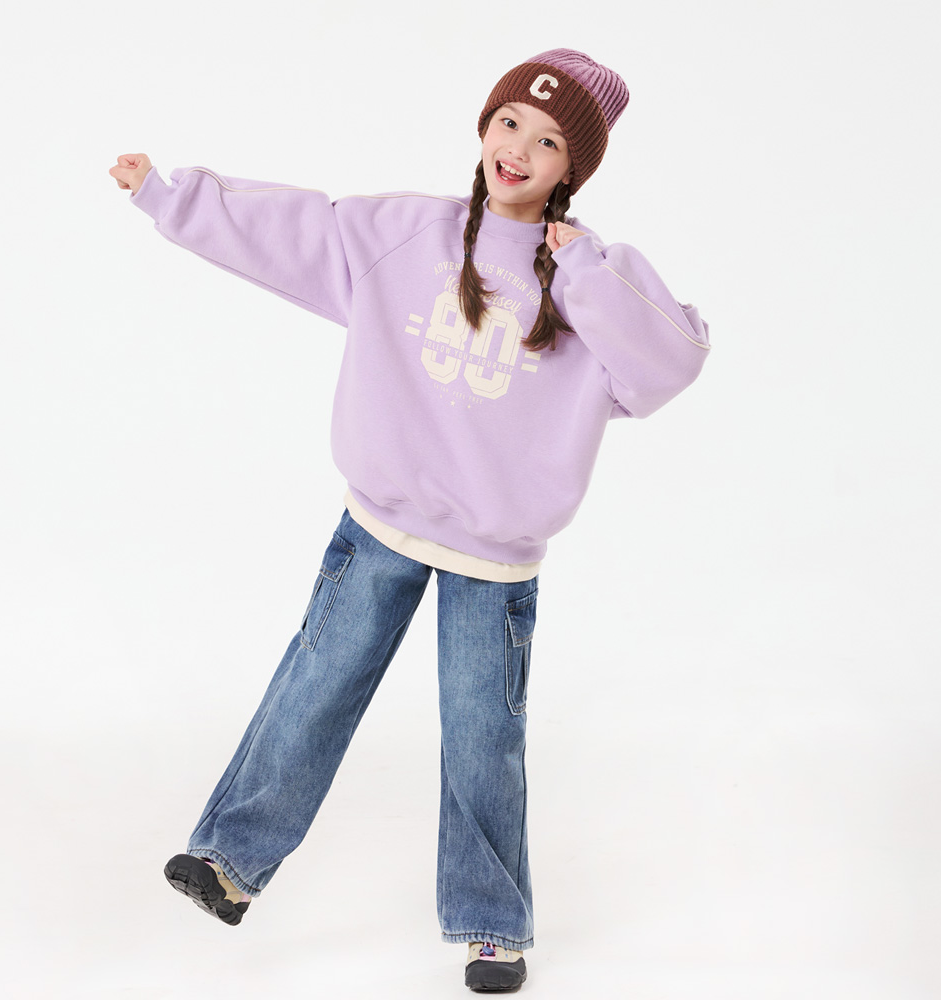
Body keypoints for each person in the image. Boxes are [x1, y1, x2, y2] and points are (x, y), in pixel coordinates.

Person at [109, 48, 710, 993]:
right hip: (379, 524)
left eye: (548, 142)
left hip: (494, 558)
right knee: (315, 686)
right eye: (508, 123)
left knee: (482, 737)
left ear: (572, 169)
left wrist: (586, 271)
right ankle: (228, 862)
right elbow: (292, 230)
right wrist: (169, 196)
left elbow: (669, 363)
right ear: (484, 126)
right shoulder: (406, 235)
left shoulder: (588, 278)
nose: (519, 149)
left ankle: (491, 926)